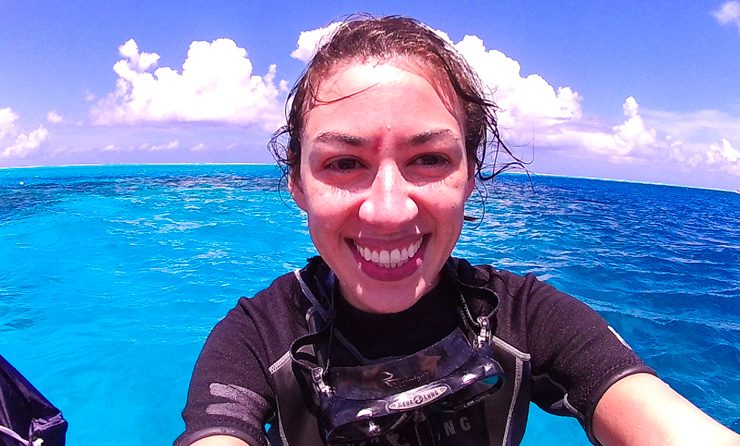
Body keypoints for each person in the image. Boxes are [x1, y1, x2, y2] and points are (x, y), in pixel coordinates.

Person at [175, 15, 739, 446]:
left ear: (470, 176)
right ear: (297, 183)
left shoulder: (529, 319)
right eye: (344, 164)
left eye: (429, 159)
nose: (388, 210)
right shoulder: (256, 339)